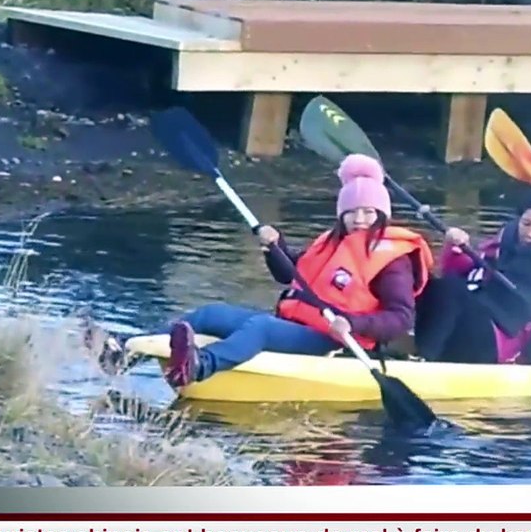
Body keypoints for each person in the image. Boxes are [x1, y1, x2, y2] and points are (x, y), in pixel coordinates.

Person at [162, 154, 434, 387]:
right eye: (351, 212)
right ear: (341, 214)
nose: (359, 220)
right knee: (211, 314)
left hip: (336, 340)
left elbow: (401, 318)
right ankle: (129, 348)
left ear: (382, 215)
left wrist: (353, 324)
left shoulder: (393, 260)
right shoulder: (332, 242)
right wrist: (275, 247)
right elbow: (291, 276)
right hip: (300, 325)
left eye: (368, 212)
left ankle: (199, 366)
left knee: (261, 328)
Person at [413, 188, 531, 365]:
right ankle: (421, 352)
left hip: (498, 342)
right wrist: (455, 247)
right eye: (526, 224)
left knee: (450, 288)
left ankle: (425, 358)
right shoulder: (500, 246)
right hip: (470, 324)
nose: (530, 233)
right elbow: (454, 273)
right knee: (430, 285)